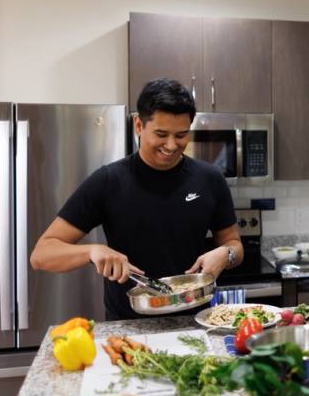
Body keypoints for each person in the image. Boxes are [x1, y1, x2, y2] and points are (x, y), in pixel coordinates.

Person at [29, 78, 242, 321]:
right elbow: (42, 254)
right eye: (161, 134)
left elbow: (234, 244)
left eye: (181, 135)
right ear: (139, 126)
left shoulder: (210, 179)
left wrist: (226, 254)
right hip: (128, 327)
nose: (172, 145)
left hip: (195, 322)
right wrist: (92, 251)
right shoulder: (108, 181)